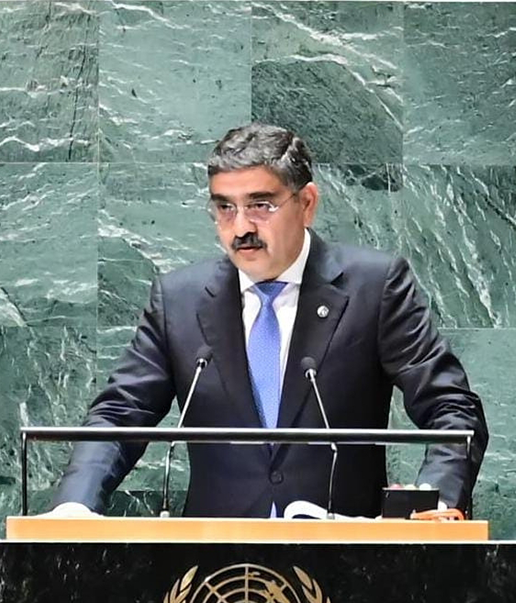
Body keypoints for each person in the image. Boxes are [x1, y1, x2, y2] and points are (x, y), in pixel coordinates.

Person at [48, 123, 487, 518]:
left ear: (307, 204)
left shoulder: (374, 287)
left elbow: (452, 408)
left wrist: (438, 504)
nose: (241, 227)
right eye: (224, 208)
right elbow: (121, 413)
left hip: (351, 566)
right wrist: (75, 504)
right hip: (212, 572)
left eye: (260, 205)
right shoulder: (179, 300)